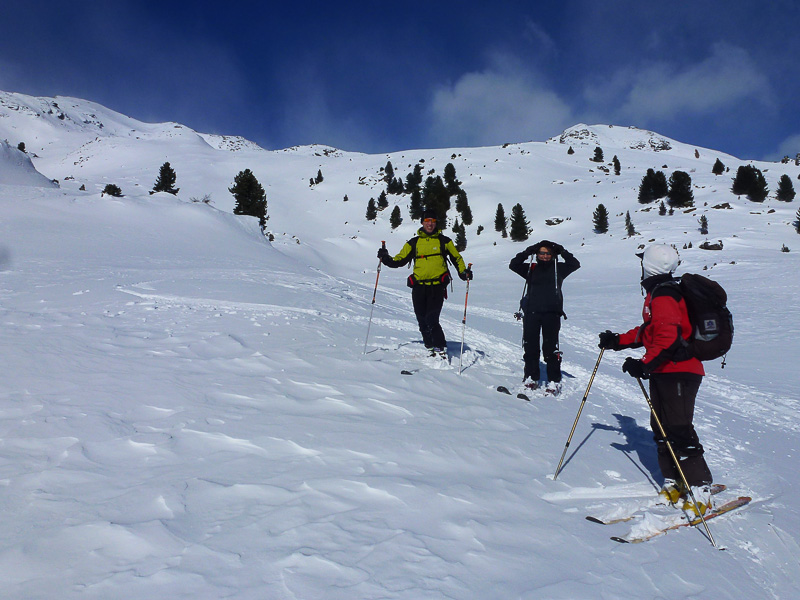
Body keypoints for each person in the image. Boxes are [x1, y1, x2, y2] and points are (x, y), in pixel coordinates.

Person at [597, 244, 713, 515]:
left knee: (679, 428)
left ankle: (700, 488)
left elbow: (668, 338)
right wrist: (618, 341)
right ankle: (674, 481)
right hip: (666, 370)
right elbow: (651, 331)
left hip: (680, 370)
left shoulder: (665, 294)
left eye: (643, 263)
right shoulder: (658, 293)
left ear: (649, 266)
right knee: (661, 427)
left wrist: (644, 364)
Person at [378, 209, 472, 357]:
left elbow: (457, 258)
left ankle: (440, 347)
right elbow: (399, 260)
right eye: (427, 220)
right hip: (418, 287)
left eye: (433, 221)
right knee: (421, 319)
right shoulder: (413, 243)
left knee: (431, 318)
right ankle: (429, 345)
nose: (430, 224)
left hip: (437, 287)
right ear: (422, 222)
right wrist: (385, 258)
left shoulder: (444, 241)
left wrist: (463, 272)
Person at [509, 240, 580, 390]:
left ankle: (553, 379)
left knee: (551, 348)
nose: (545, 256)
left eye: (548, 253)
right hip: (531, 313)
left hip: (552, 314)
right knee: (530, 347)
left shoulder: (558, 269)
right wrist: (527, 251)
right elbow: (513, 264)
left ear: (553, 255)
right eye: (542, 253)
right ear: (537, 254)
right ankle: (531, 376)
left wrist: (562, 251)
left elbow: (574, 264)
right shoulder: (531, 268)